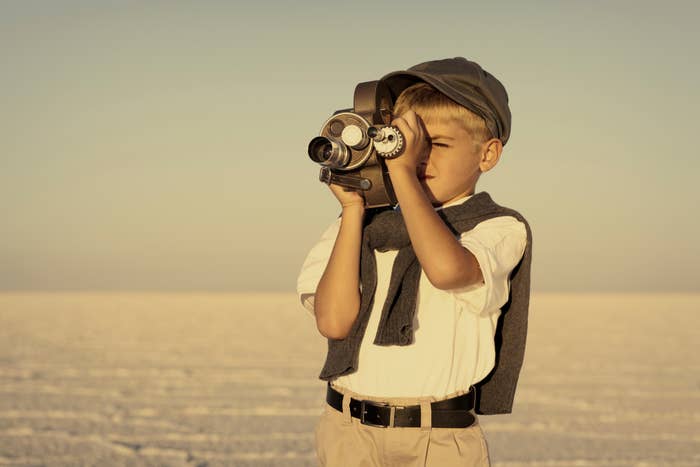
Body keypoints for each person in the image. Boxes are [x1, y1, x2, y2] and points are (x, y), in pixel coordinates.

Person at [297, 57, 532, 467]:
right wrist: (354, 210)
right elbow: (333, 323)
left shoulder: (497, 228)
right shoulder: (358, 226)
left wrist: (402, 175)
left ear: (488, 154)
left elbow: (447, 270)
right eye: (406, 146)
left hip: (438, 440)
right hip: (348, 432)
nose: (418, 160)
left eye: (436, 145)